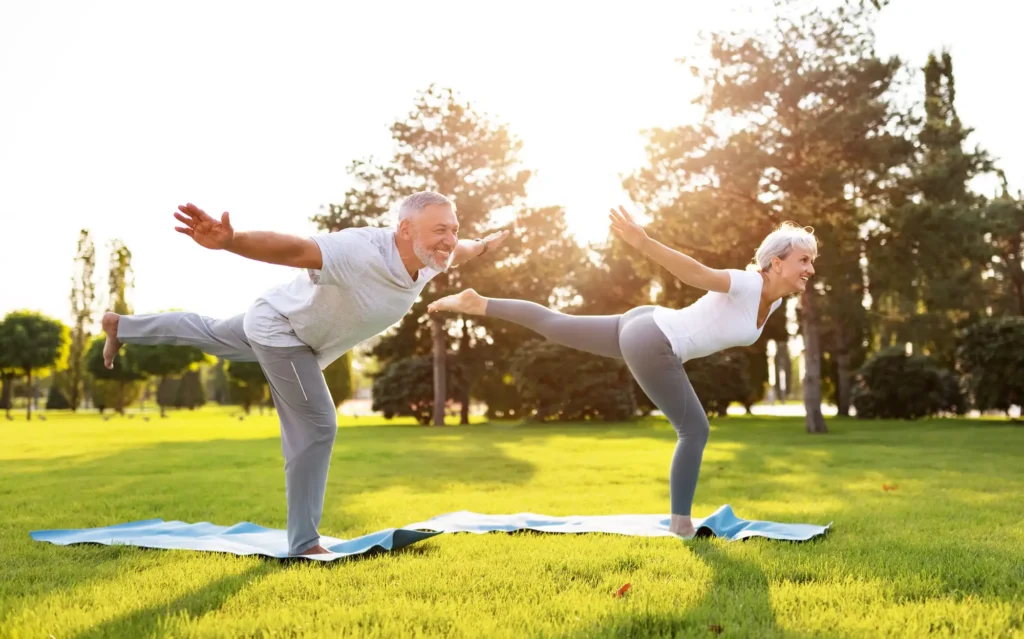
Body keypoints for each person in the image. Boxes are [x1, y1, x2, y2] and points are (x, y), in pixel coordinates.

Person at [101, 191, 508, 555]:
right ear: (404, 228)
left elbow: (465, 249)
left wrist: (487, 244)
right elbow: (294, 249)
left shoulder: (432, 257)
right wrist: (231, 241)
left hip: (290, 323)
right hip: (283, 330)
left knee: (208, 332)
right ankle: (304, 542)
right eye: (441, 230)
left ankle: (122, 326)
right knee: (316, 425)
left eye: (454, 229)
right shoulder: (359, 250)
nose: (450, 239)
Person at [428, 206, 817, 538]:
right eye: (804, 260)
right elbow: (696, 274)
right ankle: (681, 523)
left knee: (556, 324)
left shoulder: (774, 301)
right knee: (694, 430)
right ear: (776, 263)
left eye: (812, 261)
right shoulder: (750, 283)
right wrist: (644, 242)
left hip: (647, 323)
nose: (810, 269)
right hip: (655, 340)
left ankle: (479, 303)